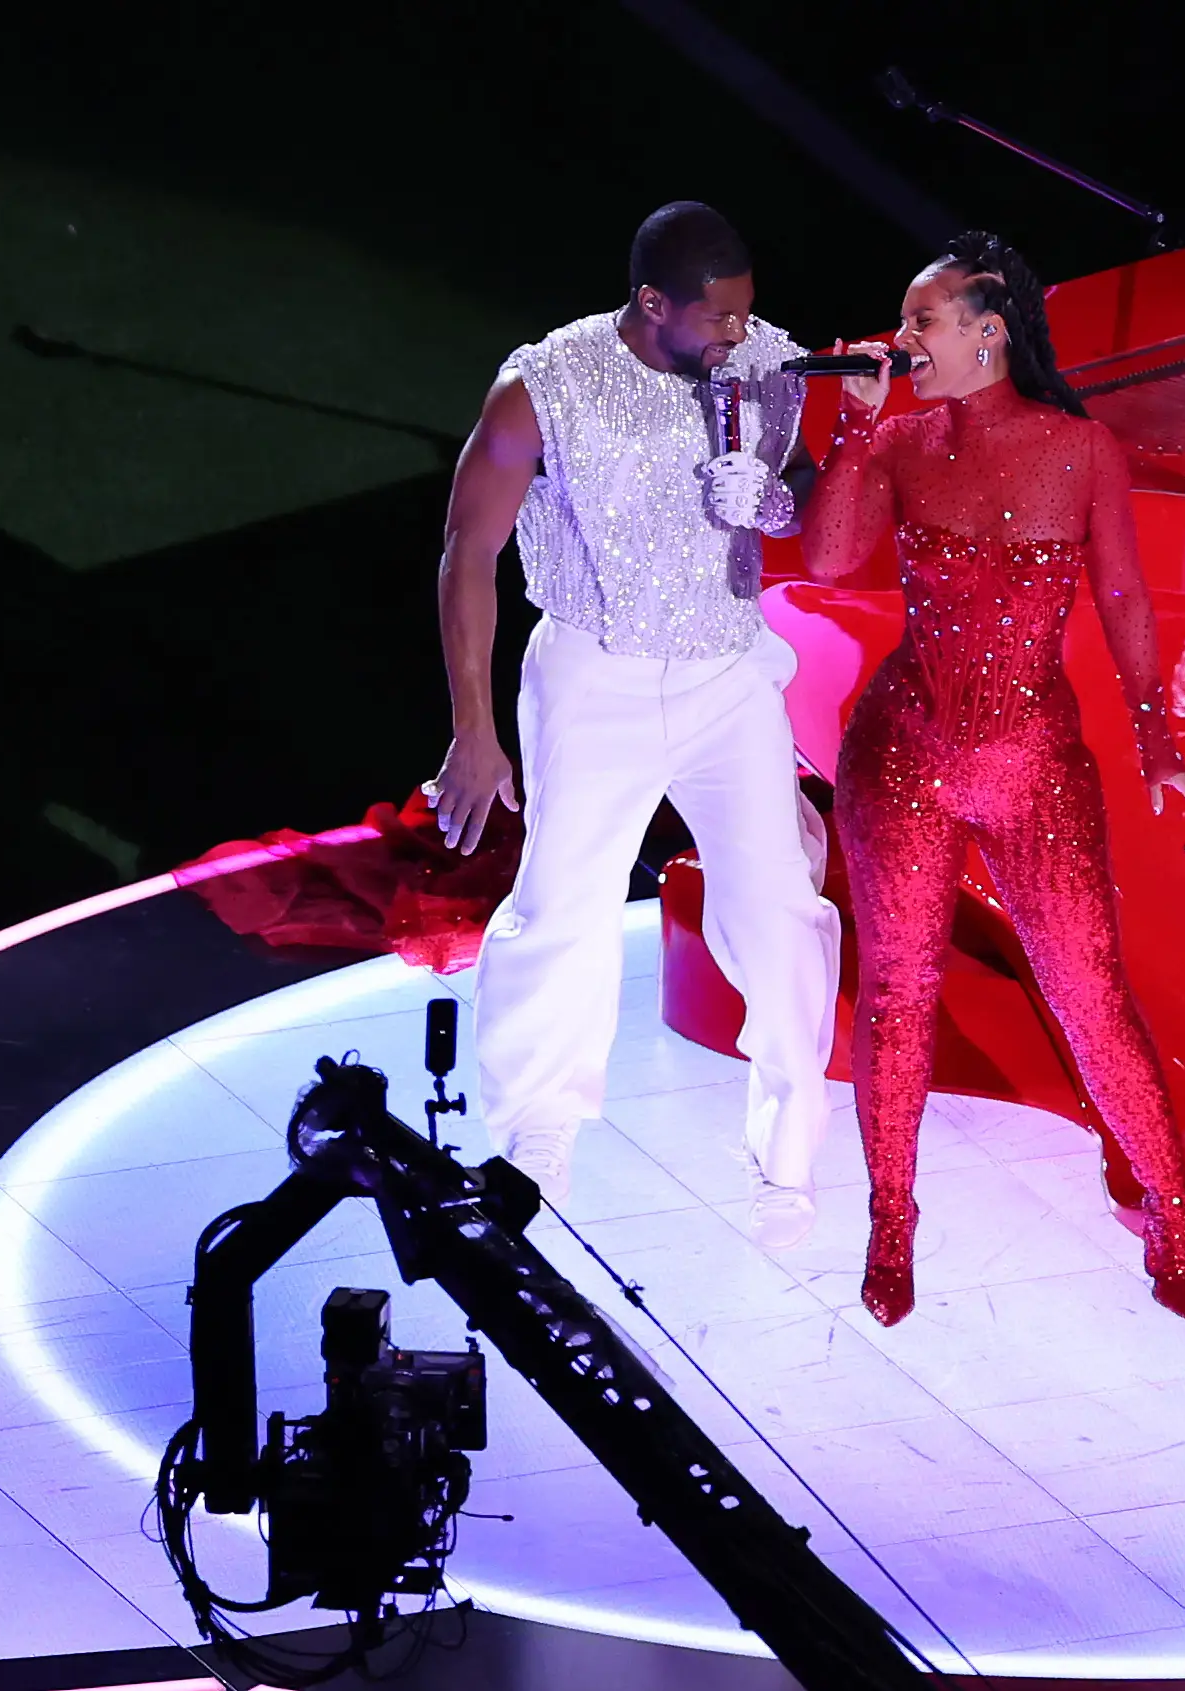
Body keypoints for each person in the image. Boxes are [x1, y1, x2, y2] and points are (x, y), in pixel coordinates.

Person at [801, 230, 1185, 1326]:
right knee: (900, 995)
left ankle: (1168, 1205)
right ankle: (891, 1219)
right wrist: (855, 424)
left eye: (922, 322)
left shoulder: (1078, 450)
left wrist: (1158, 742)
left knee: (1089, 991)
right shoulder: (898, 439)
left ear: (989, 333)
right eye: (903, 324)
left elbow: (1128, 596)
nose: (903, 340)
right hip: (903, 751)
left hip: (1034, 761)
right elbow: (829, 560)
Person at [429, 201, 838, 1248]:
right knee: (562, 905)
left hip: (727, 672)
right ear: (653, 305)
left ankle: (791, 1148)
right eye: (719, 319)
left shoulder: (767, 367)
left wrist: (779, 501)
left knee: (782, 906)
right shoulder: (545, 386)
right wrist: (474, 729)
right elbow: (466, 553)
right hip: (593, 672)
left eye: (748, 313)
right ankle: (536, 1132)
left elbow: (806, 493)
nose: (739, 336)